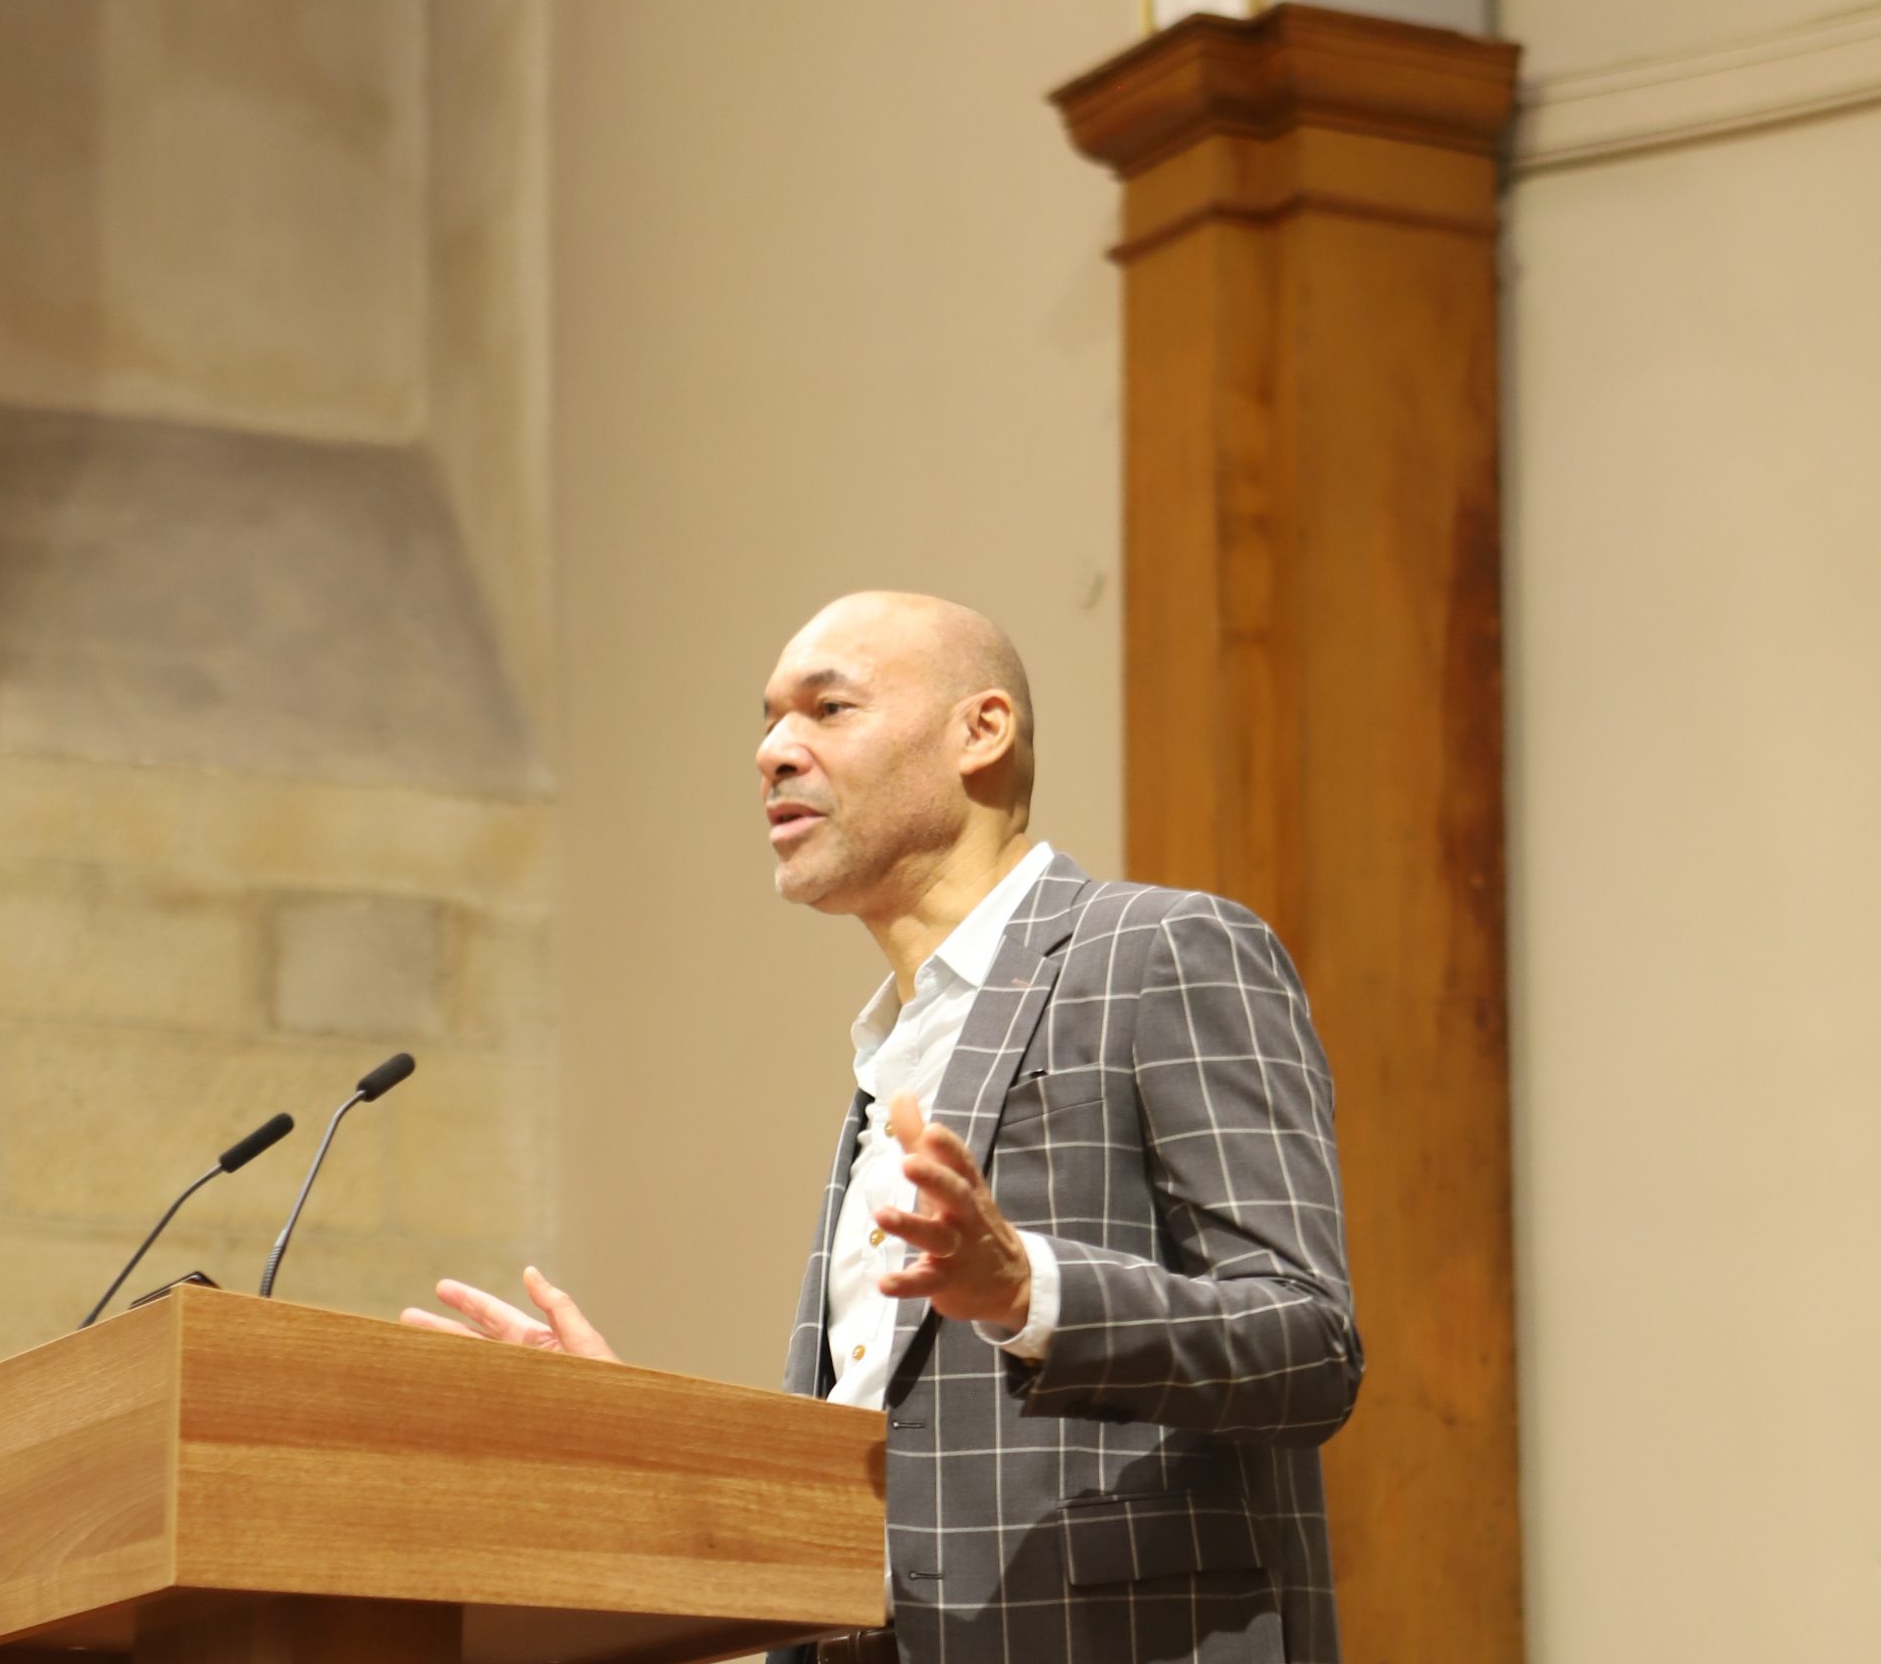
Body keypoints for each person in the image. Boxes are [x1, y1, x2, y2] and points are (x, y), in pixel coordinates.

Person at [407, 593, 1362, 1664]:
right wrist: (637, 1432)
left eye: (826, 707)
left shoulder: (1163, 950)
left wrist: (1027, 1291)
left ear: (980, 731)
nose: (772, 752)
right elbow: (893, 1443)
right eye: (766, 721)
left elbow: (1309, 1342)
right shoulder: (890, 1052)